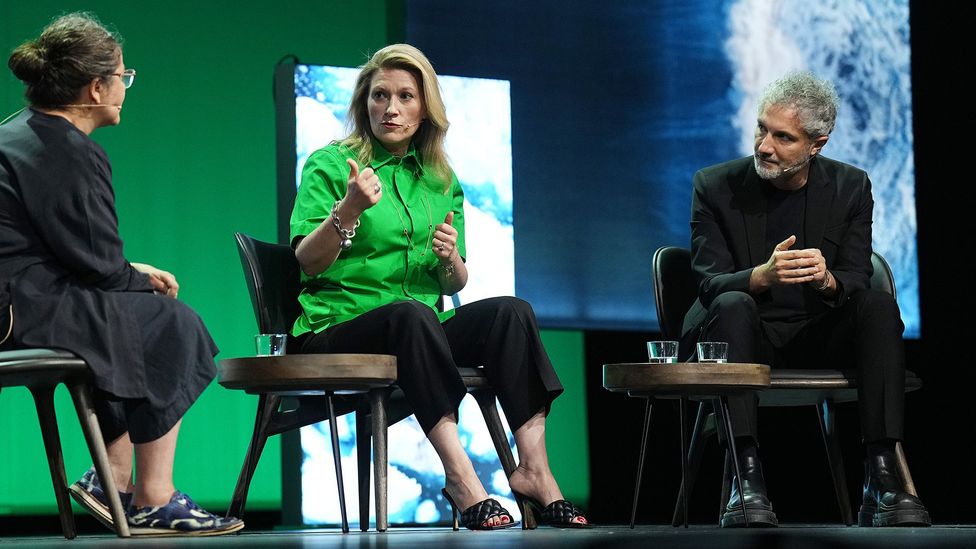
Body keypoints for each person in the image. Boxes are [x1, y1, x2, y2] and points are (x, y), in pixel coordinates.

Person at [289, 43, 590, 530]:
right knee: (412, 316)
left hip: (417, 331)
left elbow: (454, 281)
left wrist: (450, 258)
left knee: (511, 313)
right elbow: (306, 262)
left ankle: (535, 471)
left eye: (406, 96)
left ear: (425, 106)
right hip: (337, 328)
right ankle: (462, 479)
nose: (391, 108)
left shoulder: (440, 179)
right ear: (363, 103)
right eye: (380, 95)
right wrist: (348, 210)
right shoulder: (331, 165)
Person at [0, 13, 242, 536]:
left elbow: (71, 251)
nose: (124, 88)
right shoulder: (67, 149)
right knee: (171, 322)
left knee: (125, 318)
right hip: (27, 307)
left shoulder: (17, 133)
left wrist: (130, 273)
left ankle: (111, 473)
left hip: (17, 300)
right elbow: (98, 264)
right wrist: (139, 278)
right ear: (95, 87)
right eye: (123, 78)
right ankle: (151, 495)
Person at [683, 71, 930, 528]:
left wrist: (827, 281)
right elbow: (709, 284)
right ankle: (746, 477)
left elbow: (856, 277)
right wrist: (761, 276)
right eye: (761, 129)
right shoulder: (715, 186)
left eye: (782, 137)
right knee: (734, 303)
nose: (763, 146)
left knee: (876, 306)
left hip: (818, 332)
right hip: (740, 337)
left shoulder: (851, 187)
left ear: (817, 144)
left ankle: (882, 475)